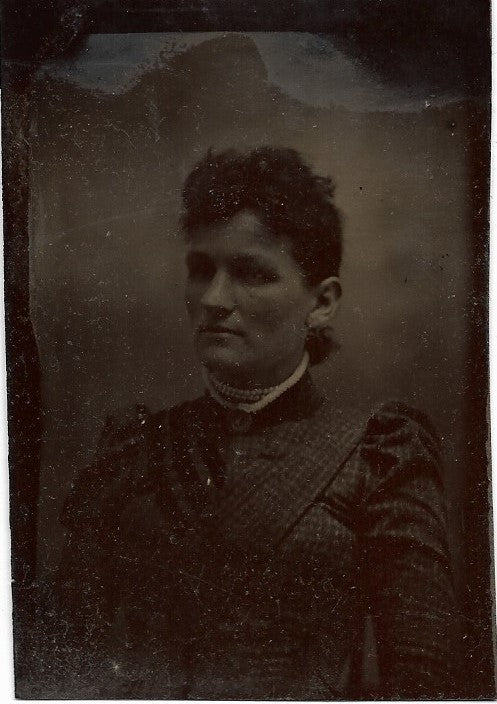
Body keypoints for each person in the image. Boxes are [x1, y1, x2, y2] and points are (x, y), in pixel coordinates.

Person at [47, 147, 456, 699]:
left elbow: (425, 681)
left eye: (252, 274)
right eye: (201, 270)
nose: (214, 299)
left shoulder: (378, 454)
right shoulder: (137, 448)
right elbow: (60, 662)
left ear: (323, 303)